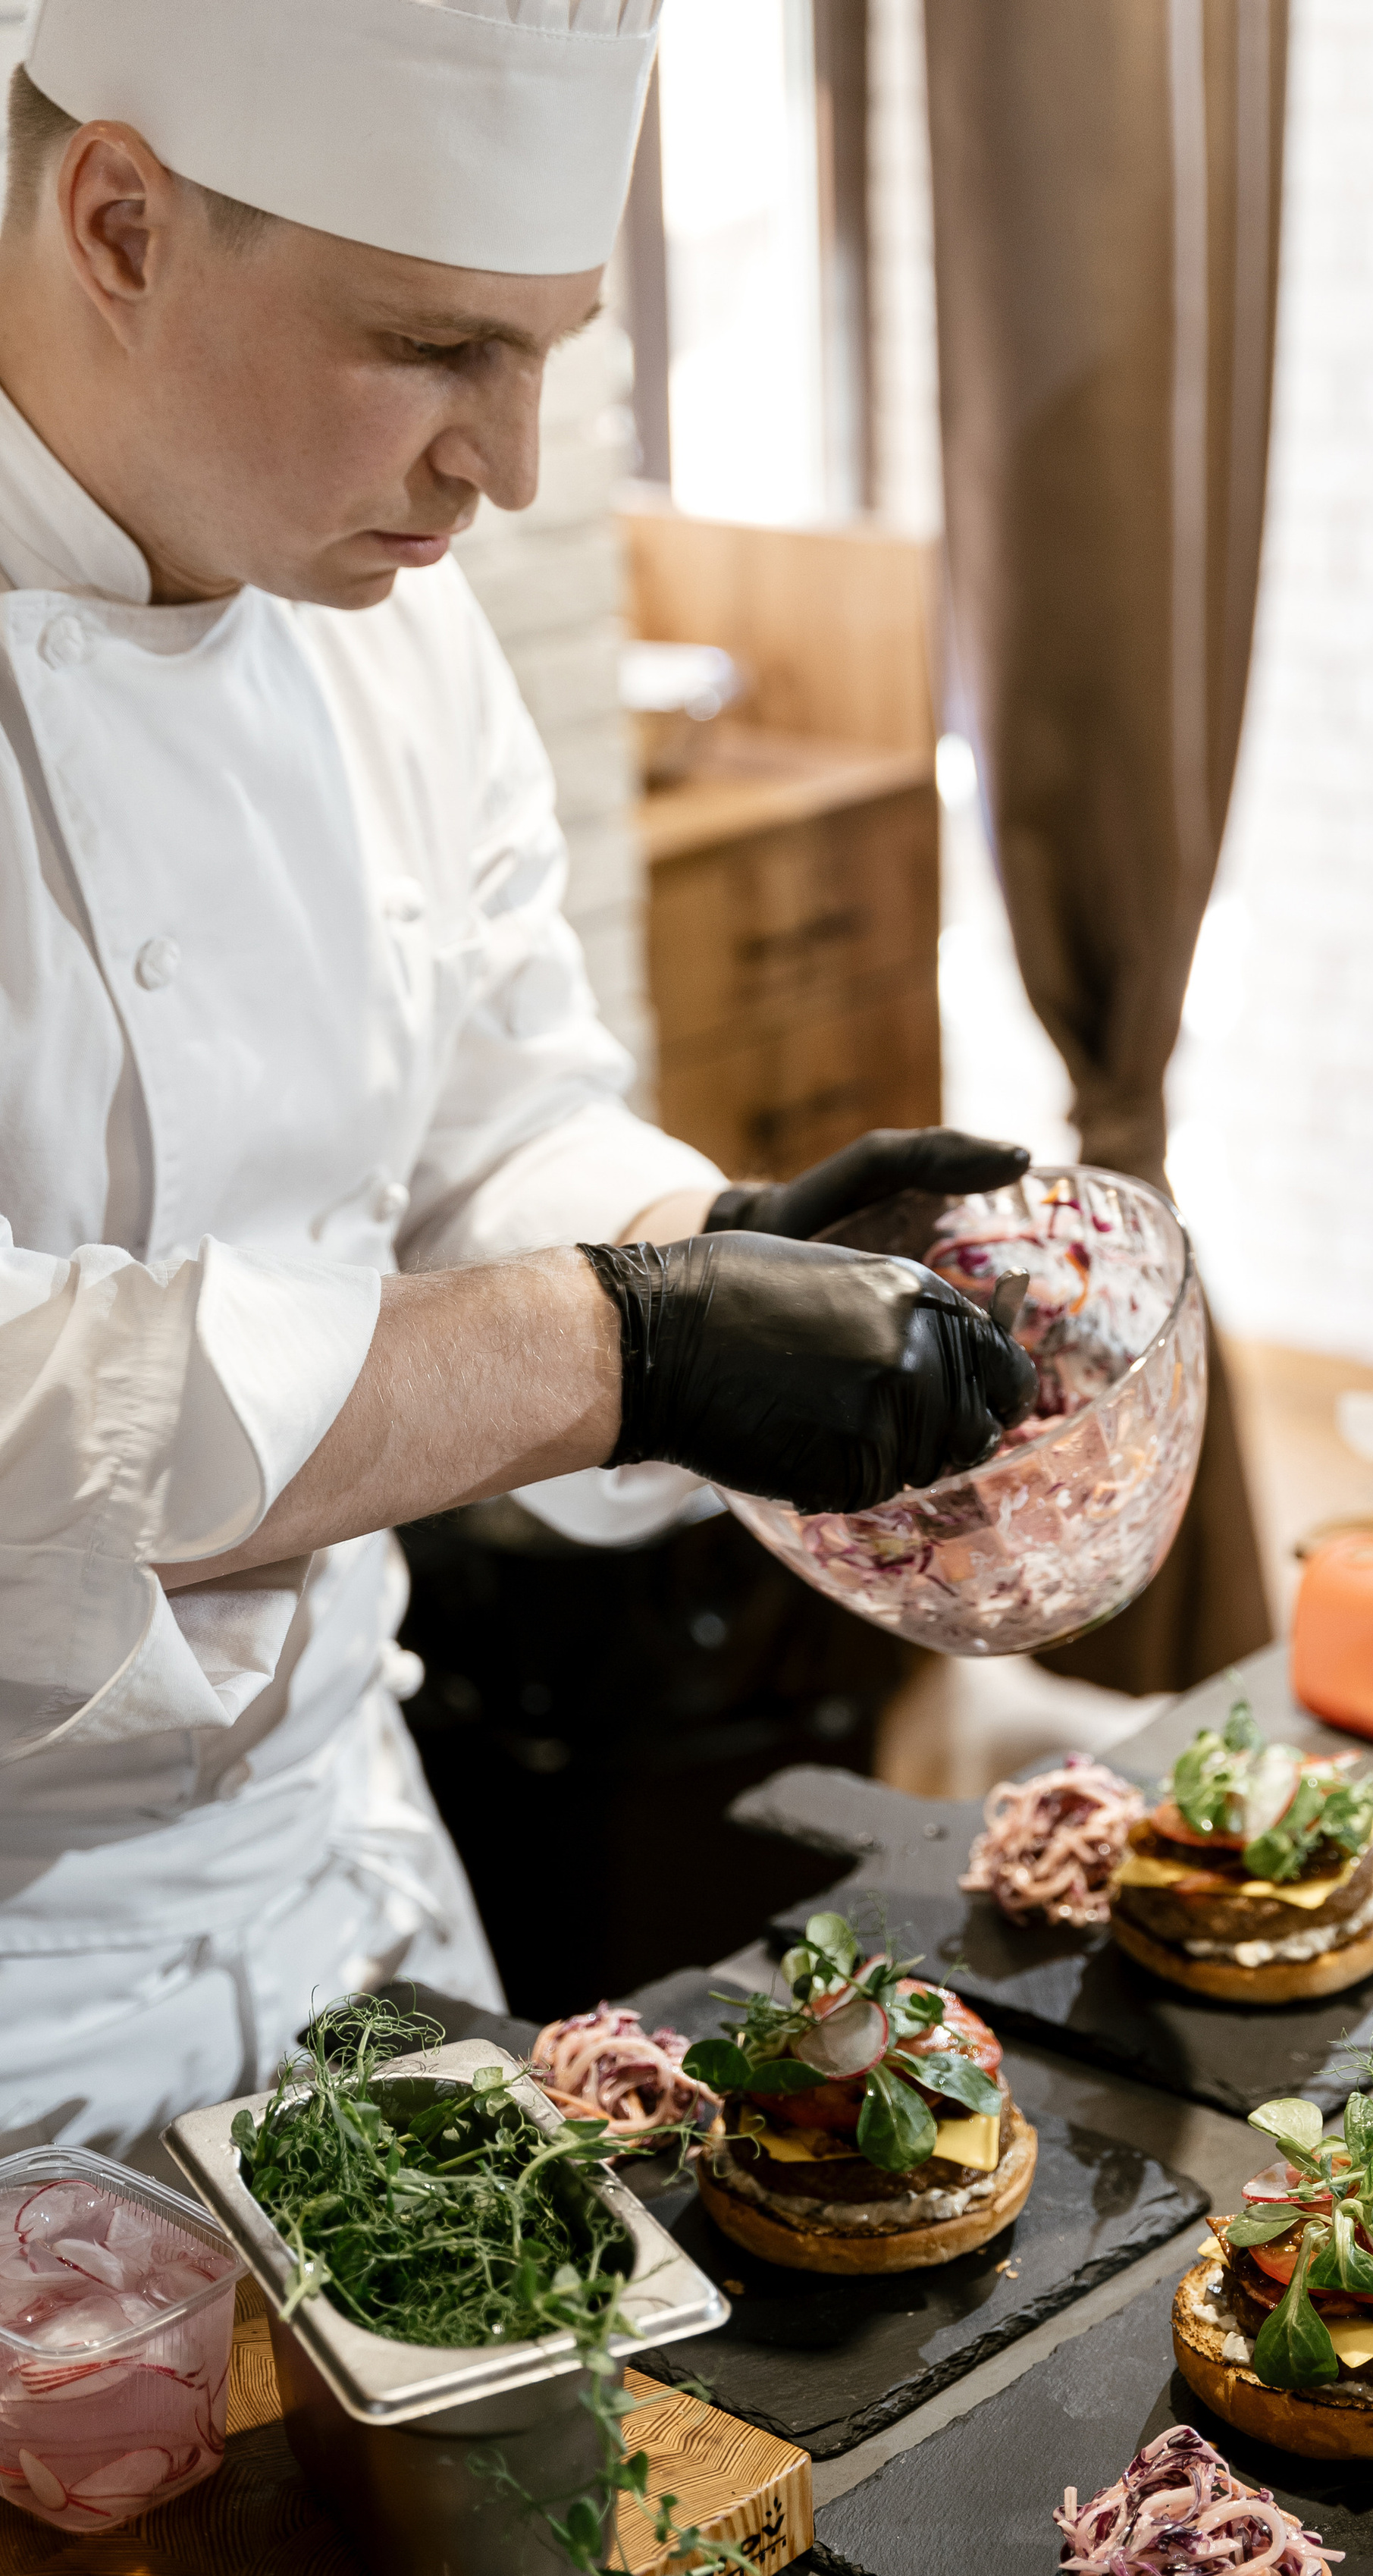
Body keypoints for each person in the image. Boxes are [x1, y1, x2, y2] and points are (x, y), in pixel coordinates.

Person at [0, 0, 1033, 2160]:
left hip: (339, 1888)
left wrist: (700, 1241)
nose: (518, 461)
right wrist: (621, 1347)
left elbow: (487, 1118)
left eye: (550, 347)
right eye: (436, 347)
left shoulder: (392, 623)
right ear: (120, 223)